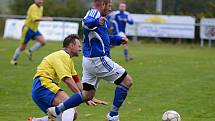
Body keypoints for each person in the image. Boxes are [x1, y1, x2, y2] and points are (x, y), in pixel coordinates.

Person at [47, 0, 133, 121]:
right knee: (127, 81)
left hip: (90, 60)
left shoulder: (100, 17)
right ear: (102, 4)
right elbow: (86, 23)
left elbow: (104, 39)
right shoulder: (94, 13)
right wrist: (96, 21)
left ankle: (56, 110)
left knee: (87, 95)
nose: (111, 8)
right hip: (98, 59)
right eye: (109, 5)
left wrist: (118, 40)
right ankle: (113, 116)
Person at [29, 34, 107, 121]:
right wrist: (81, 97)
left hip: (40, 89)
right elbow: (67, 80)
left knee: (67, 114)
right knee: (69, 106)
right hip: (43, 85)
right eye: (78, 46)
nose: (80, 49)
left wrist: (89, 97)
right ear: (71, 46)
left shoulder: (68, 60)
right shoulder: (63, 55)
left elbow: (76, 81)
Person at [10, 0, 53, 65]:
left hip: (34, 29)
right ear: (35, 0)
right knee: (23, 47)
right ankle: (13, 60)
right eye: (39, 0)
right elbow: (34, 19)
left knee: (43, 41)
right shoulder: (33, 7)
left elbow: (38, 18)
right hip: (27, 29)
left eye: (41, 0)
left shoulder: (41, 7)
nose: (40, 1)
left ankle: (29, 51)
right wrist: (46, 19)